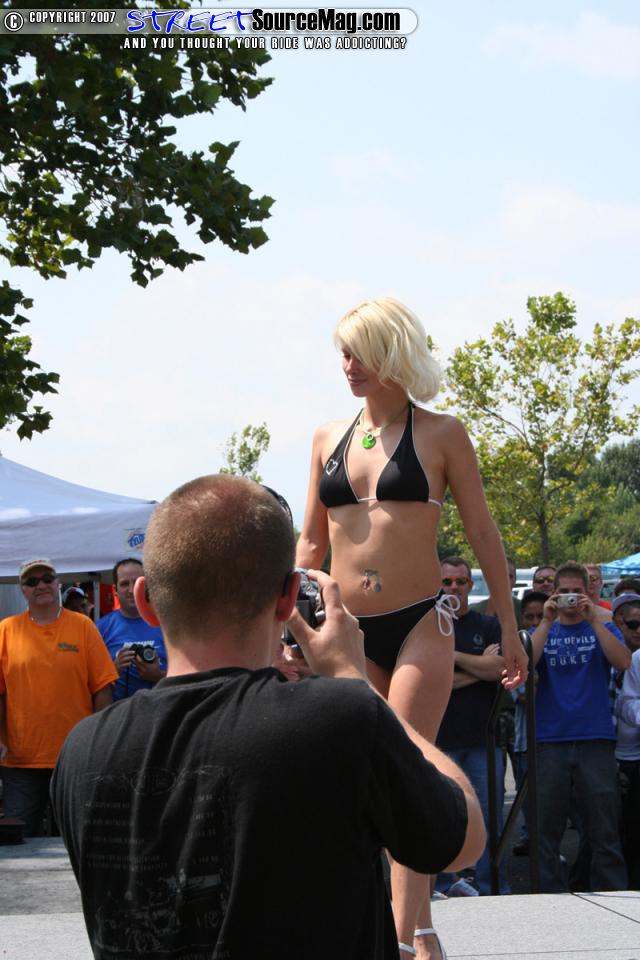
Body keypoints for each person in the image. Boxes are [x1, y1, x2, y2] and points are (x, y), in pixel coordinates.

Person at [51, 475, 485, 960]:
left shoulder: (81, 750)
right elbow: (463, 840)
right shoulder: (341, 719)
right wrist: (353, 679)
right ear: (288, 597)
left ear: (146, 599)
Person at [297, 298, 526, 959]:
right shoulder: (326, 437)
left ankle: (402, 937)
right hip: (345, 625)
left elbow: (483, 532)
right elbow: (309, 544)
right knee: (362, 778)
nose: (348, 365)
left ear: (393, 353)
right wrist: (283, 623)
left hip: (421, 622)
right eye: (343, 353)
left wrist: (509, 627)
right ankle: (412, 928)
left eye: (360, 352)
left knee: (405, 766)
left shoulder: (443, 433)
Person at [530, 561, 630, 892]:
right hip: (551, 739)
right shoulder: (544, 630)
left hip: (595, 738)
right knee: (547, 830)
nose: (570, 598)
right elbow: (526, 663)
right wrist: (547, 620)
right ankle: (547, 898)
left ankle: (613, 896)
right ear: (554, 593)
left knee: (604, 830)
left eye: (577, 591)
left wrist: (594, 620)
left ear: (588, 592)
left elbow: (623, 661)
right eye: (564, 592)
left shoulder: (602, 627)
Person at [0, 559, 117, 836]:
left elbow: (102, 688)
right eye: (32, 581)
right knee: (19, 843)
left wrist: (97, 741)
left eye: (47, 578)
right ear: (23, 590)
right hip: (20, 760)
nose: (41, 585)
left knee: (78, 837)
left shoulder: (83, 626)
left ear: (57, 583)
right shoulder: (5, 630)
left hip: (75, 756)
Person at [436, 557, 508, 895]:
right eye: (447, 582)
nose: (454, 588)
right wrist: (480, 668)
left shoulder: (488, 625)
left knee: (490, 819)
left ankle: (493, 889)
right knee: (442, 819)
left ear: (470, 585)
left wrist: (452, 657)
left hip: (483, 740)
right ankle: (443, 887)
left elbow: (501, 669)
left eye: (460, 582)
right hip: (440, 742)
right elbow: (436, 682)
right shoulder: (428, 629)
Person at [96, 558, 167, 699]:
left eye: (137, 582)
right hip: (119, 710)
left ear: (147, 586)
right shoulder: (100, 628)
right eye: (124, 584)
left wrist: (158, 676)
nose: (131, 590)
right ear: (115, 590)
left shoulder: (167, 624)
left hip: (162, 708)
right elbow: (90, 682)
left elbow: (188, 676)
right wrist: (114, 670)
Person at [511, 590, 547, 856]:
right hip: (527, 740)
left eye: (541, 617)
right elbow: (523, 694)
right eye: (529, 617)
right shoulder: (518, 648)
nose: (534, 622)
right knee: (530, 802)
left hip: (557, 738)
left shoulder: (558, 641)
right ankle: (534, 844)